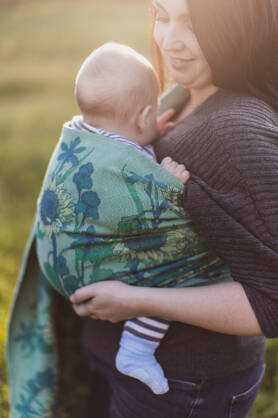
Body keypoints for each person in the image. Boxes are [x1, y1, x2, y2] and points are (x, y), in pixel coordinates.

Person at [68, 0, 278, 417]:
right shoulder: (181, 95)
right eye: (162, 16)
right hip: (124, 361)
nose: (169, 41)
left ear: (239, 28)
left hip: (180, 384)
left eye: (194, 24)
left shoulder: (234, 131)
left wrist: (137, 301)